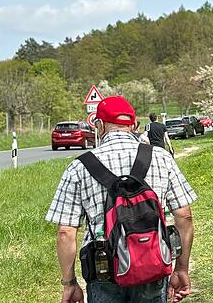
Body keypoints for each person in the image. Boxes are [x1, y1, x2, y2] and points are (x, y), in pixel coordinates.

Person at [46, 96, 197, 303]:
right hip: (151, 262)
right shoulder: (162, 158)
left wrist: (69, 283)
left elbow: (65, 232)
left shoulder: (79, 167)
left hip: (103, 270)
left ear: (99, 126)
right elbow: (184, 217)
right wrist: (181, 268)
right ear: (134, 125)